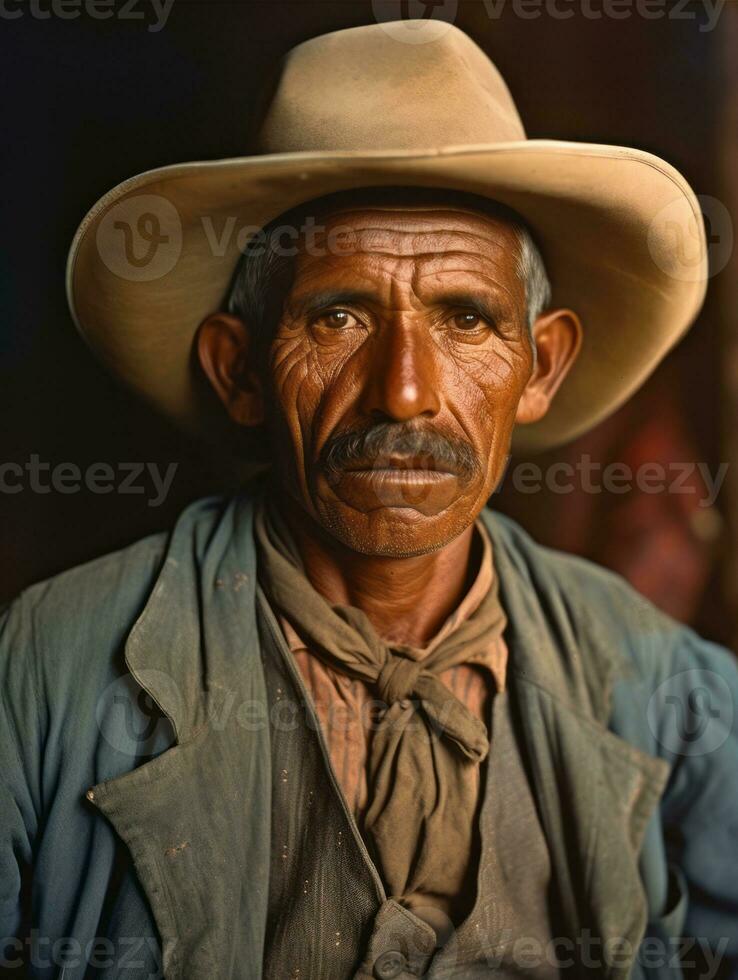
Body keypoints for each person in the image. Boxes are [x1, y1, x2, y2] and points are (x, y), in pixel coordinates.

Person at [2, 20, 736, 980]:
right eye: (339, 315)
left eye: (466, 319)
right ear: (240, 372)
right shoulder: (45, 672)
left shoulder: (676, 696)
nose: (404, 391)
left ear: (541, 367)